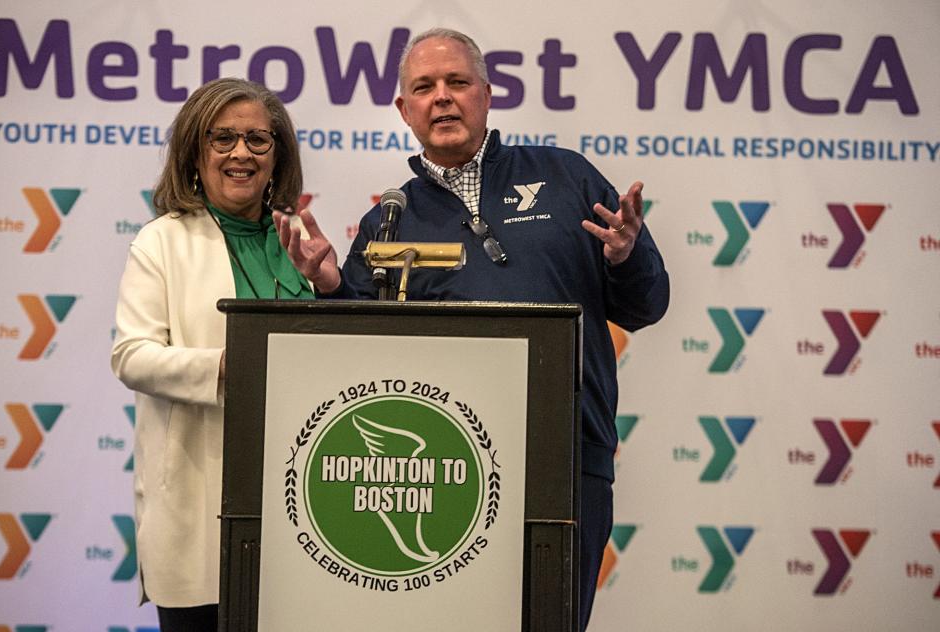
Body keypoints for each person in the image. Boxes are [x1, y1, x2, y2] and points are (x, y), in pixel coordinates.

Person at [275, 28, 669, 630]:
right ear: (403, 111)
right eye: (424, 88)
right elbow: (359, 361)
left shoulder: (568, 180)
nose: (442, 98)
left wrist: (625, 257)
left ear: (487, 94)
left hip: (565, 457)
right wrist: (331, 286)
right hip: (444, 469)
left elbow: (647, 306)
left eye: (457, 82)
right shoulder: (389, 219)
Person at [111, 77, 311, 632]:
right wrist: (223, 366)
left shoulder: (296, 242)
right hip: (200, 503)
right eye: (222, 139)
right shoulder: (162, 241)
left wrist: (335, 288)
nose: (241, 153)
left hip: (300, 503)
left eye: (257, 139)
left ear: (278, 156)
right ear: (195, 153)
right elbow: (131, 355)